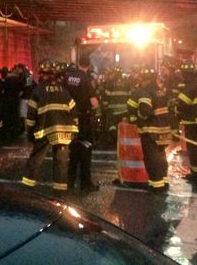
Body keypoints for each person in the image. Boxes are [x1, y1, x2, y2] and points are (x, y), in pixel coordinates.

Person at [22, 59, 79, 194]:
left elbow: (31, 115)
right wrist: (74, 131)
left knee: (35, 160)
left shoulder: (38, 90)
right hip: (65, 133)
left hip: (44, 132)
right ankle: (59, 193)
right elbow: (74, 111)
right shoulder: (64, 90)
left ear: (42, 74)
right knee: (61, 163)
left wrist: (30, 132)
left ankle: (27, 190)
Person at [127, 68, 172, 193]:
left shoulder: (144, 91)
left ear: (143, 78)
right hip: (163, 130)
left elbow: (145, 111)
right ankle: (163, 181)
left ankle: (157, 186)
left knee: (152, 158)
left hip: (150, 131)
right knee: (161, 156)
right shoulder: (160, 90)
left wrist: (138, 118)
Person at [65, 57, 100, 192]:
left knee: (73, 149)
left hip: (70, 117)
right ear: (88, 65)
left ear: (78, 63)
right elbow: (93, 102)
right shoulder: (87, 79)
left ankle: (70, 181)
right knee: (85, 149)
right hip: (84, 118)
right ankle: (85, 184)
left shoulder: (68, 77)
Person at [175, 61, 197, 183]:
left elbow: (181, 105)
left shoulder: (190, 88)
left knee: (194, 149)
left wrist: (175, 112)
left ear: (186, 74)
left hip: (191, 122)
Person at [101, 67, 129, 148]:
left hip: (112, 111)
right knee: (123, 127)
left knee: (112, 126)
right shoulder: (127, 83)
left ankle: (113, 142)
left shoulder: (110, 83)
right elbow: (130, 96)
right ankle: (123, 143)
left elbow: (105, 97)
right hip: (124, 110)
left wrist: (105, 107)